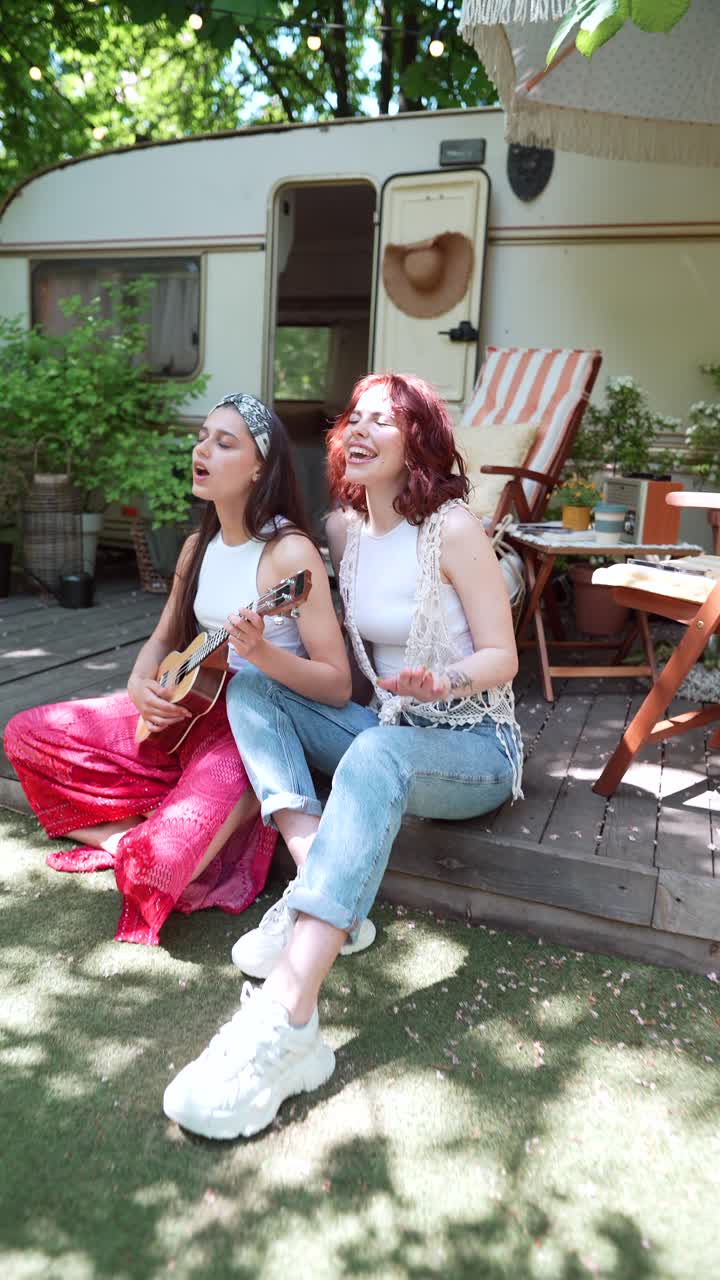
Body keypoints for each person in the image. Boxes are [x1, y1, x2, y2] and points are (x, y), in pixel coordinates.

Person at [163, 372, 523, 1138]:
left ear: (419, 440)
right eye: (353, 418)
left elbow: (504, 657)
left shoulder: (453, 529)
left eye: (382, 420)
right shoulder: (342, 531)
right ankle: (321, 885)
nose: (358, 430)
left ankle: (288, 1019)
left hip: (473, 747)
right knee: (254, 691)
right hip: (389, 729)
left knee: (378, 755)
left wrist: (444, 680)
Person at [4, 393, 354, 946]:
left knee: (160, 865)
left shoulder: (289, 554)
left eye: (224, 442)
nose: (202, 450)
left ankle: (166, 830)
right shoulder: (197, 547)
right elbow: (164, 638)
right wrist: (139, 684)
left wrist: (262, 654)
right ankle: (127, 837)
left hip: (247, 727)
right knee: (25, 733)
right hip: (183, 710)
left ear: (260, 467)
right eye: (202, 437)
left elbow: (337, 685)